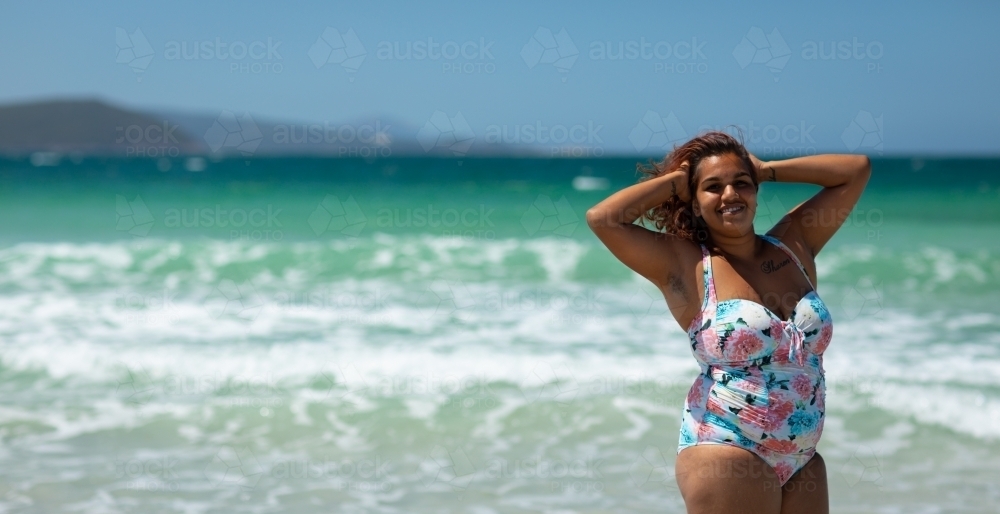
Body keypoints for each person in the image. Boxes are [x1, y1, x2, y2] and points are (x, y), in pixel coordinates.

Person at [586, 131, 871, 514]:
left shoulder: (794, 244)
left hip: (802, 458)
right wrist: (677, 182)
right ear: (693, 200)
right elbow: (604, 219)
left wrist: (766, 169)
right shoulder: (687, 264)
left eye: (741, 183)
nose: (730, 195)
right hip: (727, 447)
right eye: (712, 187)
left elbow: (855, 170)